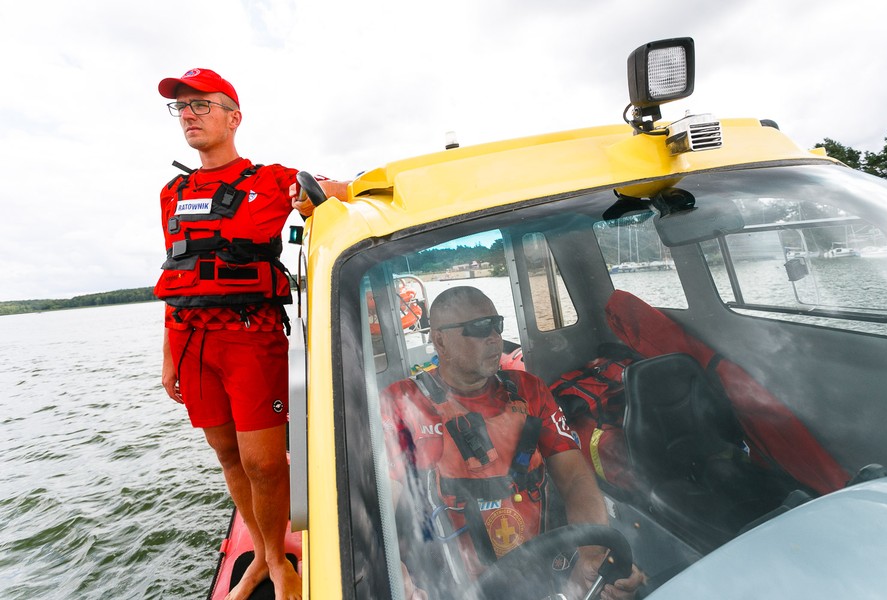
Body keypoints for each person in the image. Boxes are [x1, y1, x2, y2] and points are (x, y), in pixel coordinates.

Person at [155, 67, 345, 600]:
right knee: (227, 454)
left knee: (264, 461)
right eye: (181, 107)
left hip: (250, 334)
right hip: (190, 339)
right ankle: (265, 557)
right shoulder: (172, 192)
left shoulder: (270, 179)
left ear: (233, 117)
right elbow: (175, 271)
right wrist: (168, 355)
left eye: (201, 105)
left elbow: (335, 191)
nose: (188, 115)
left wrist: (319, 200)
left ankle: (283, 563)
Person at [381, 286, 644, 600]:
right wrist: (400, 578)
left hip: (543, 566)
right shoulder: (404, 403)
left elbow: (575, 478)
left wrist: (591, 552)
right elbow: (380, 507)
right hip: (454, 585)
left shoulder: (529, 390)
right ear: (440, 341)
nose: (494, 337)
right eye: (479, 329)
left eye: (497, 324)